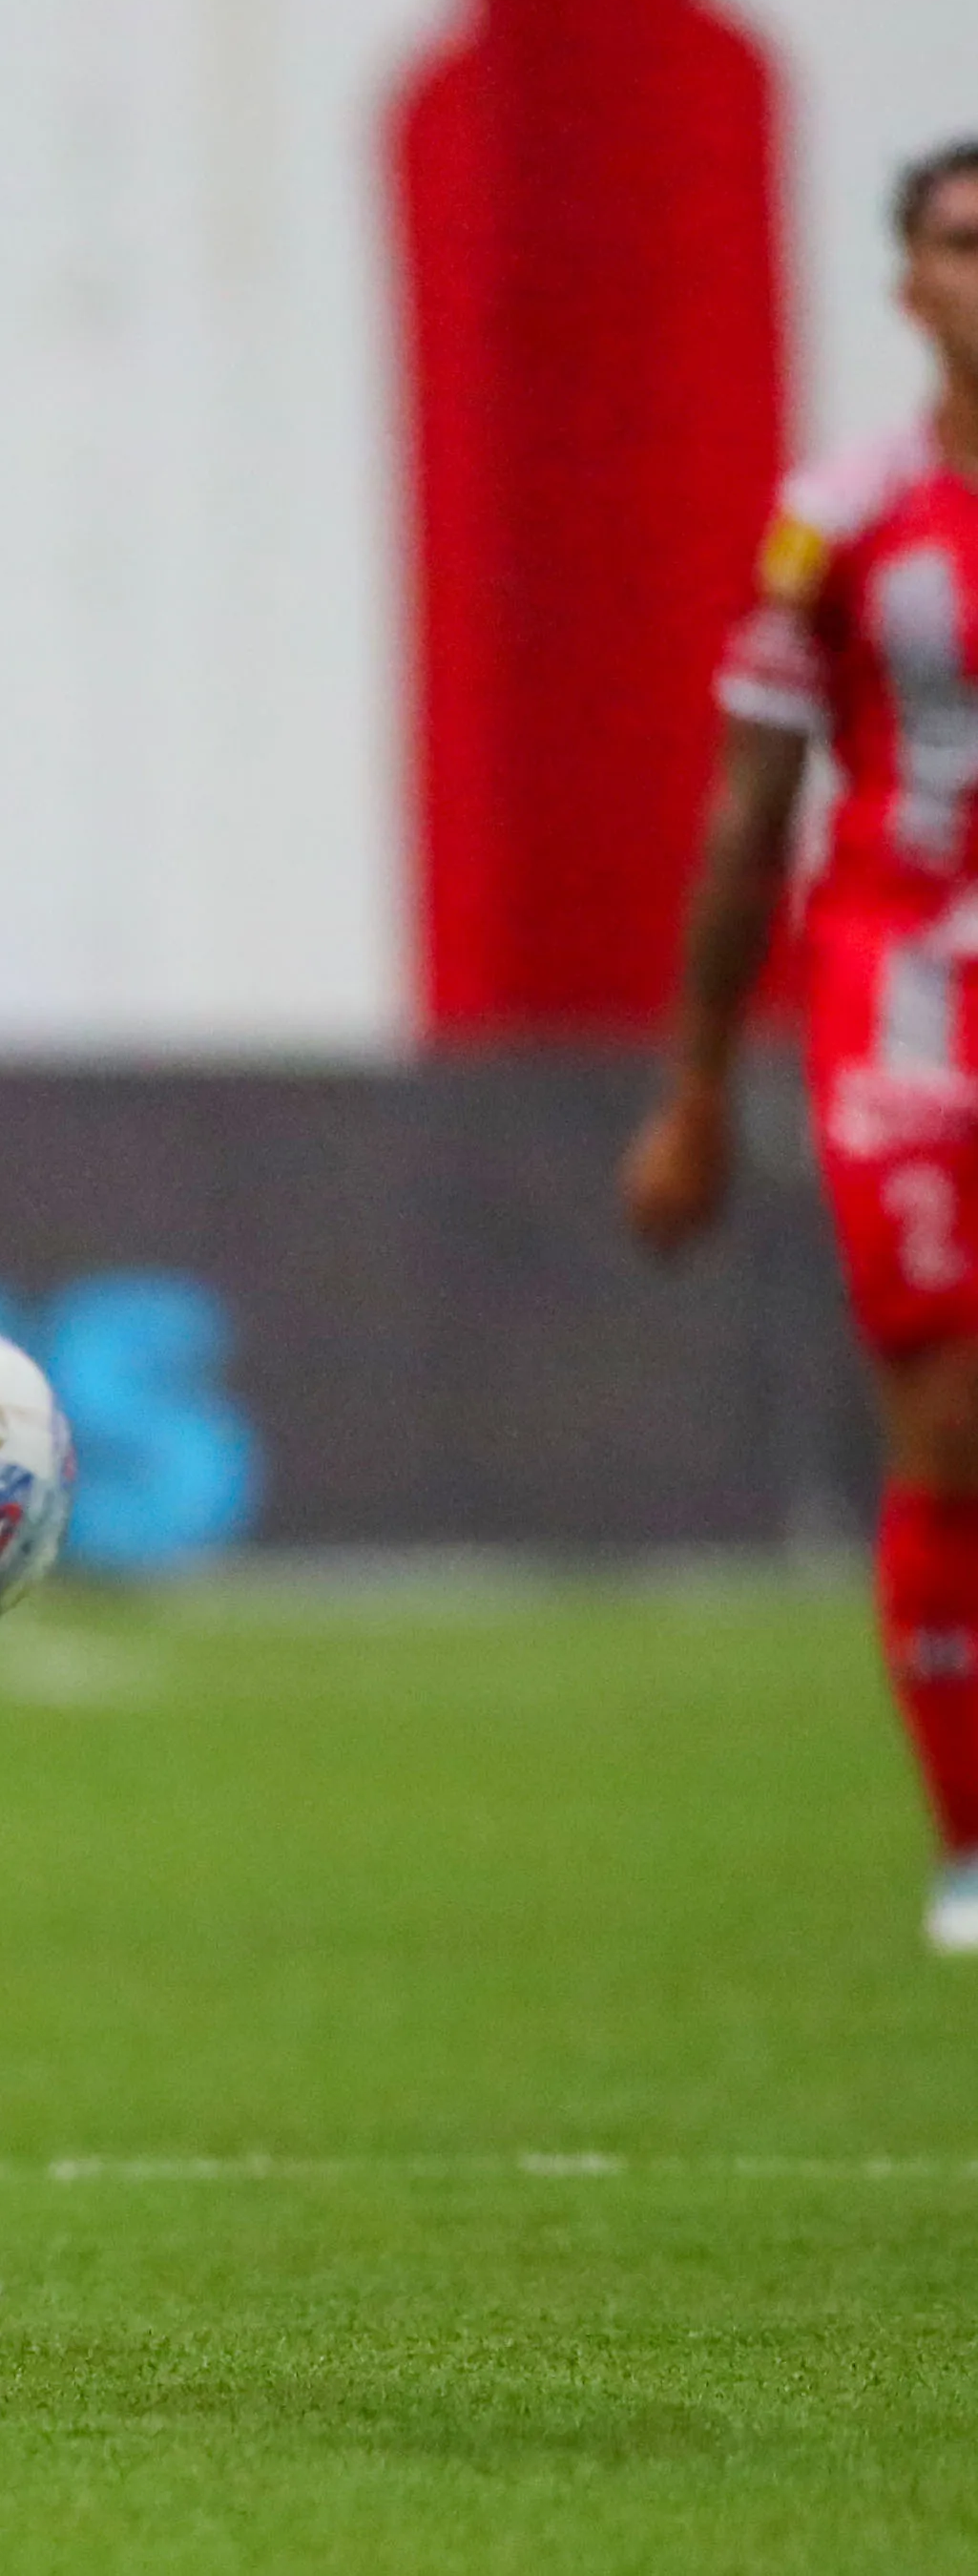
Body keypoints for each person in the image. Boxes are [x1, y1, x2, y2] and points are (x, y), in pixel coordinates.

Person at [630, 135, 978, 1953]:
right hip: (907, 991)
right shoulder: (838, 517)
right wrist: (694, 1086)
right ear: (904, 282)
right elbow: (743, 812)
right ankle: (965, 1848)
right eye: (957, 243)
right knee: (941, 1422)